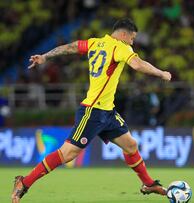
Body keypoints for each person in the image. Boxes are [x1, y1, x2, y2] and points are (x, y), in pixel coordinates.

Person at [11, 18, 172, 203]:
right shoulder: (120, 46)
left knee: (131, 145)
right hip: (92, 111)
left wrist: (46, 55)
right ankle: (24, 182)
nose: (132, 43)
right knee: (68, 153)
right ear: (124, 34)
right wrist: (162, 73)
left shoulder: (95, 43)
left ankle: (148, 184)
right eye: (132, 38)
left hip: (107, 112)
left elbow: (70, 47)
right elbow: (137, 64)